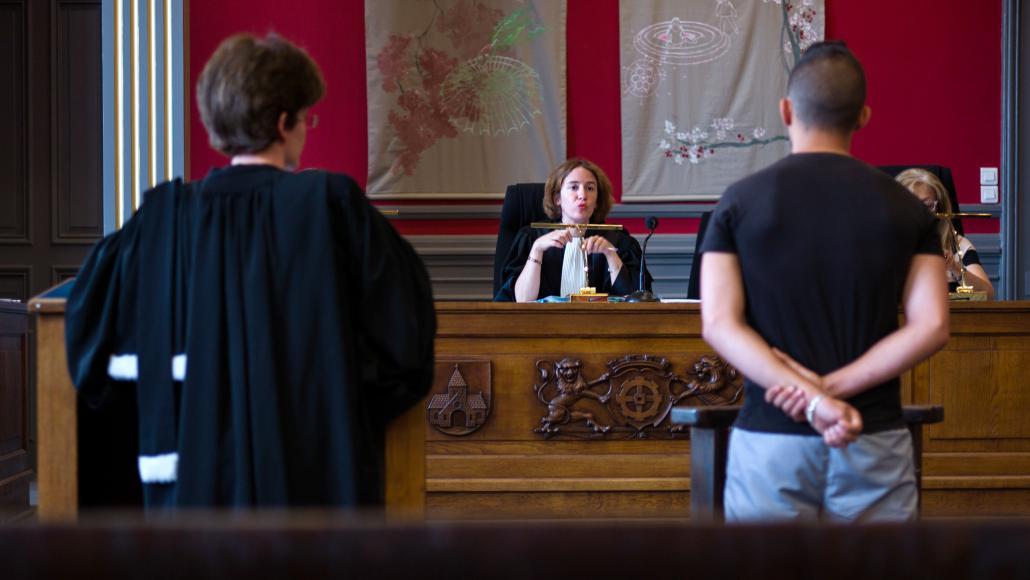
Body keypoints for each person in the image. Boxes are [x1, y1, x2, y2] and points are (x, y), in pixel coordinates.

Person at [64, 33, 436, 509]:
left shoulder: (158, 220)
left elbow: (91, 353)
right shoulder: (332, 207)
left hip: (189, 495)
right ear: (285, 123)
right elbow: (406, 344)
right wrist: (339, 412)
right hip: (319, 485)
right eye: (307, 118)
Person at [699, 41, 949, 521]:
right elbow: (932, 325)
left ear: (786, 110)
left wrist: (814, 399)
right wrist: (834, 392)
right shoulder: (908, 211)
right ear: (864, 117)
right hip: (872, 433)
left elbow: (718, 324)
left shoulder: (738, 201)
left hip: (772, 437)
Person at [494, 158, 652, 302]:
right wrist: (536, 250)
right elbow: (521, 301)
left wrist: (611, 254)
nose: (582, 195)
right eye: (574, 187)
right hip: (541, 327)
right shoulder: (531, 237)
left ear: (597, 200)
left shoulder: (620, 240)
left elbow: (634, 303)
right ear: (557, 198)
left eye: (590, 188)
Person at [896, 168, 995, 299]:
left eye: (927, 206)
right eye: (911, 205)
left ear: (940, 207)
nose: (919, 213)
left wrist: (954, 267)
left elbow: (988, 294)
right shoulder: (884, 245)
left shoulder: (958, 245)